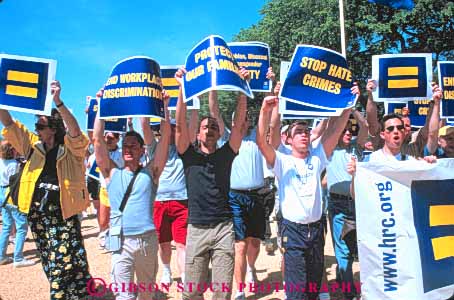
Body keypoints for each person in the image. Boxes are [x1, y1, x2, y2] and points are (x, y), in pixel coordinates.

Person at [256, 84, 360, 300]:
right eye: (298, 132)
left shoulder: (317, 157)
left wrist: (348, 105)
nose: (304, 135)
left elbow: (335, 130)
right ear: (289, 140)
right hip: (293, 231)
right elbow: (262, 143)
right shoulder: (282, 161)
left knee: (313, 286)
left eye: (306, 131)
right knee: (296, 291)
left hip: (316, 230)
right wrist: (265, 111)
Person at [0, 81, 93, 299]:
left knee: (62, 264)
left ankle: (61, 295)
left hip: (62, 215)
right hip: (38, 216)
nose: (37, 130)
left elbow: (76, 132)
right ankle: (79, 292)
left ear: (53, 127)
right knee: (52, 263)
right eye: (36, 127)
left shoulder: (71, 150)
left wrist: (58, 101)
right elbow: (9, 123)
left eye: (41, 127)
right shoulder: (32, 146)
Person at [175, 68, 247, 300]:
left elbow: (238, 127)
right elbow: (179, 126)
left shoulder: (226, 153)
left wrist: (243, 89)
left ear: (219, 133)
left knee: (221, 291)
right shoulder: (188, 154)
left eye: (214, 127)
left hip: (223, 228)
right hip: (195, 228)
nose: (209, 129)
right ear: (197, 134)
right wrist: (181, 88)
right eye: (205, 127)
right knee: (192, 291)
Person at [94, 92, 170, 299]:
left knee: (146, 294)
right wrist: (101, 106)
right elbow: (97, 140)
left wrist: (163, 108)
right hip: (120, 241)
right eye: (125, 145)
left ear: (141, 149)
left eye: (132, 145)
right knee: (123, 295)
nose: (127, 149)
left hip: (147, 240)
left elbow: (164, 142)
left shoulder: (151, 172)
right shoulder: (111, 172)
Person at [325, 115, 368, 300]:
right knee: (343, 250)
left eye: (351, 130)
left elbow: (365, 125)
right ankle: (349, 292)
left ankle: (343, 277)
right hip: (337, 204)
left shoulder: (356, 149)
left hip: (358, 204)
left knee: (358, 247)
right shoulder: (329, 151)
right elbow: (329, 128)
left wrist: (354, 108)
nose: (349, 132)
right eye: (345, 130)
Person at [153, 113, 198, 287]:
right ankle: (166, 271)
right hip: (159, 201)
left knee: (182, 243)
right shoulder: (154, 148)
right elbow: (144, 124)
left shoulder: (184, 149)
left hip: (181, 201)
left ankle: (185, 276)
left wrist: (192, 102)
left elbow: (192, 126)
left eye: (173, 128)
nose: (170, 131)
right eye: (167, 128)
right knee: (163, 242)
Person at [366, 80, 441, 157]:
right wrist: (371, 96)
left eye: (400, 127)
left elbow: (430, 130)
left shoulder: (415, 148)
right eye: (391, 128)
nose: (396, 131)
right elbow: (372, 123)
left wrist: (434, 102)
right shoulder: (380, 145)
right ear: (382, 134)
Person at [0, 141, 34, 268]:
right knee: (21, 227)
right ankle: (18, 258)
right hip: (11, 194)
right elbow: (16, 181)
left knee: (6, 226)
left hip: (1, 192)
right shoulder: (14, 164)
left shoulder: (1, 161)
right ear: (12, 150)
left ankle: (1, 256)